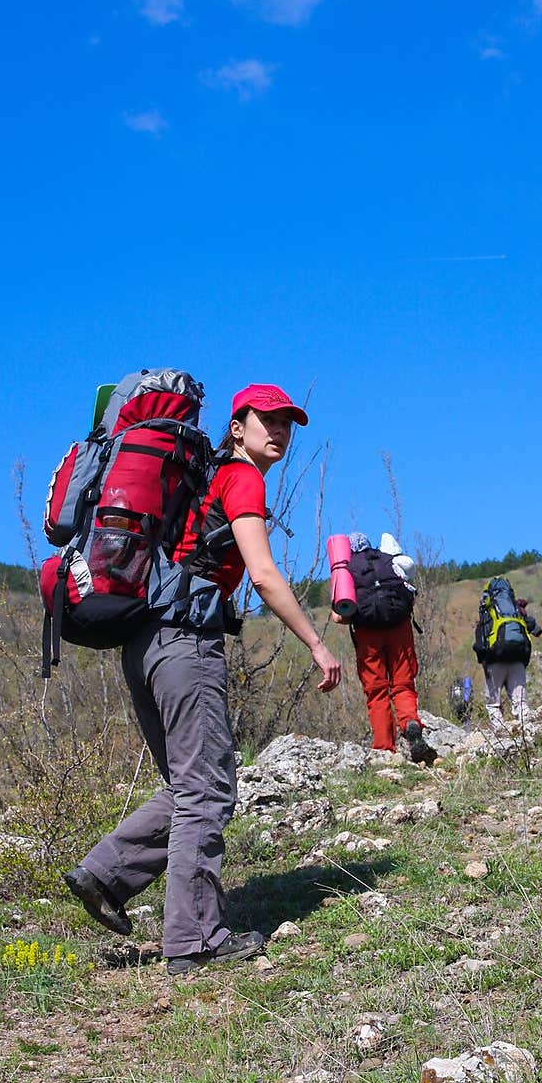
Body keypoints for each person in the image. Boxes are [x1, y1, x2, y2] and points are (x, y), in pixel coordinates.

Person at [64, 382, 342, 977]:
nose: (280, 432)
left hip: (142, 643)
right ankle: (194, 940)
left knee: (188, 783)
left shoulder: (196, 477)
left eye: (287, 423)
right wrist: (317, 643)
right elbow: (263, 575)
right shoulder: (241, 477)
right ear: (236, 427)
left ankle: (104, 876)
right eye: (266, 420)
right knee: (208, 790)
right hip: (186, 643)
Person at [330, 531, 433, 763]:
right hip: (400, 629)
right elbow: (410, 596)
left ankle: (385, 749)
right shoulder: (388, 560)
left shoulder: (345, 571)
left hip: (368, 636)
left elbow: (340, 617)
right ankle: (410, 723)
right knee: (403, 684)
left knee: (377, 692)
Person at [480, 597, 542, 731]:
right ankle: (529, 733)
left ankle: (500, 734)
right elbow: (535, 628)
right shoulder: (516, 612)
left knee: (493, 704)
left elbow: (480, 645)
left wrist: (485, 663)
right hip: (517, 659)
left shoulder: (488, 615)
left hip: (495, 662)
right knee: (520, 702)